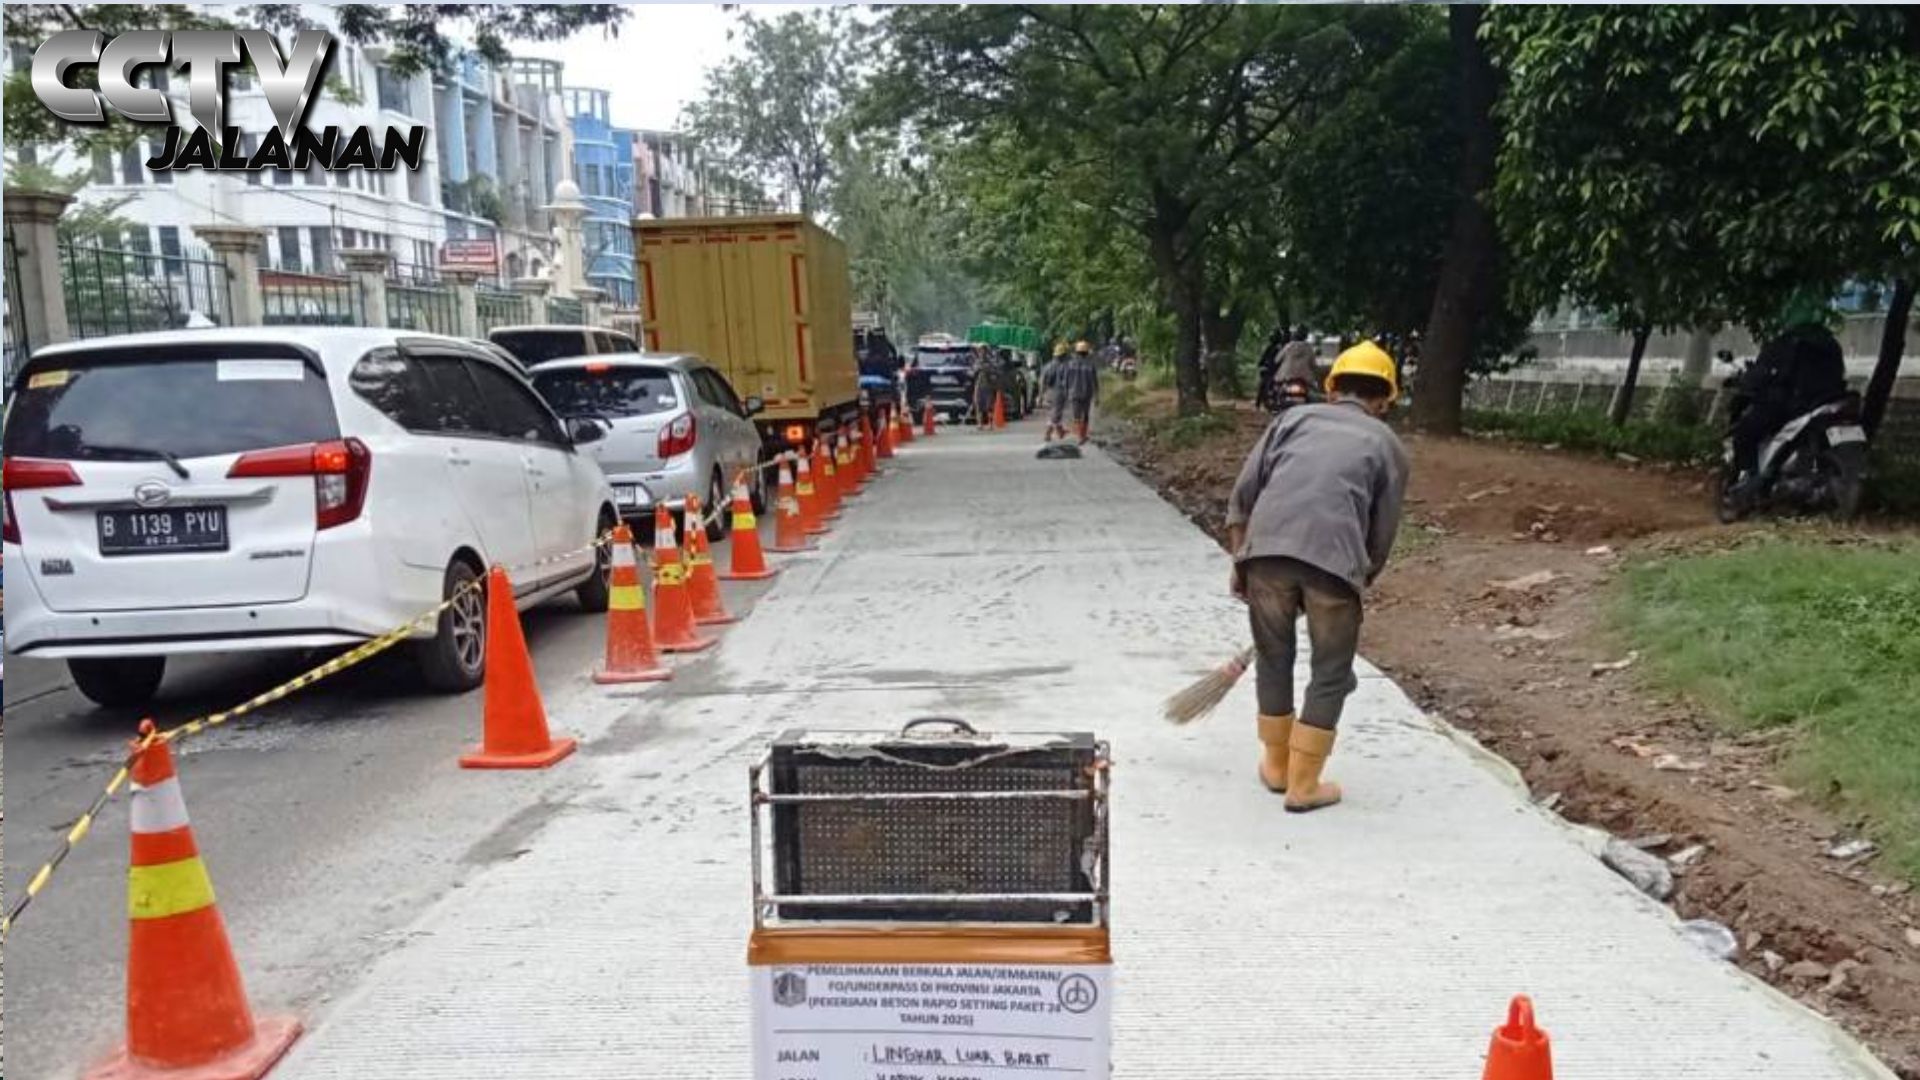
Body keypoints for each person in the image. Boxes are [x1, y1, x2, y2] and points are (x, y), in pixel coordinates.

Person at [1224, 341, 1409, 813]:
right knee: (1330, 670)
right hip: (1333, 565)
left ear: (1330, 391)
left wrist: (1240, 561)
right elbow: (1380, 534)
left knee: (1273, 656)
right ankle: (1304, 785)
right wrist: (1354, 578)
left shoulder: (1289, 421)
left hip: (1264, 554)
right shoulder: (1387, 445)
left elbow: (1243, 497)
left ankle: (1276, 766)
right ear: (1386, 399)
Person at [1730, 298, 1848, 491]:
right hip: (1829, 400)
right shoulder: (1831, 343)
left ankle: (1750, 477)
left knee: (1745, 432)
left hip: (1791, 405)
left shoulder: (1787, 343)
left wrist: (1749, 381)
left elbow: (1763, 373)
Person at [1058, 340, 1102, 444]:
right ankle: (1084, 435)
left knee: (1076, 416)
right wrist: (1097, 396)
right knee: (1085, 415)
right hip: (1087, 394)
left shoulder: (1069, 365)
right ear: (1086, 353)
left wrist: (1066, 394)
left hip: (1074, 394)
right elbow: (1094, 382)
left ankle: (1080, 436)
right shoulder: (1090, 365)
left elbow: (1065, 381)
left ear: (1076, 352)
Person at [1041, 343, 1070, 441]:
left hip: (1049, 392)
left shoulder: (1047, 366)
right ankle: (1048, 433)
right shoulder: (1065, 366)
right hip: (1059, 392)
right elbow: (1067, 381)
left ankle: (1060, 432)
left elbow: (1042, 381)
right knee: (1056, 414)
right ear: (1063, 355)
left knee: (1054, 413)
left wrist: (1041, 395)